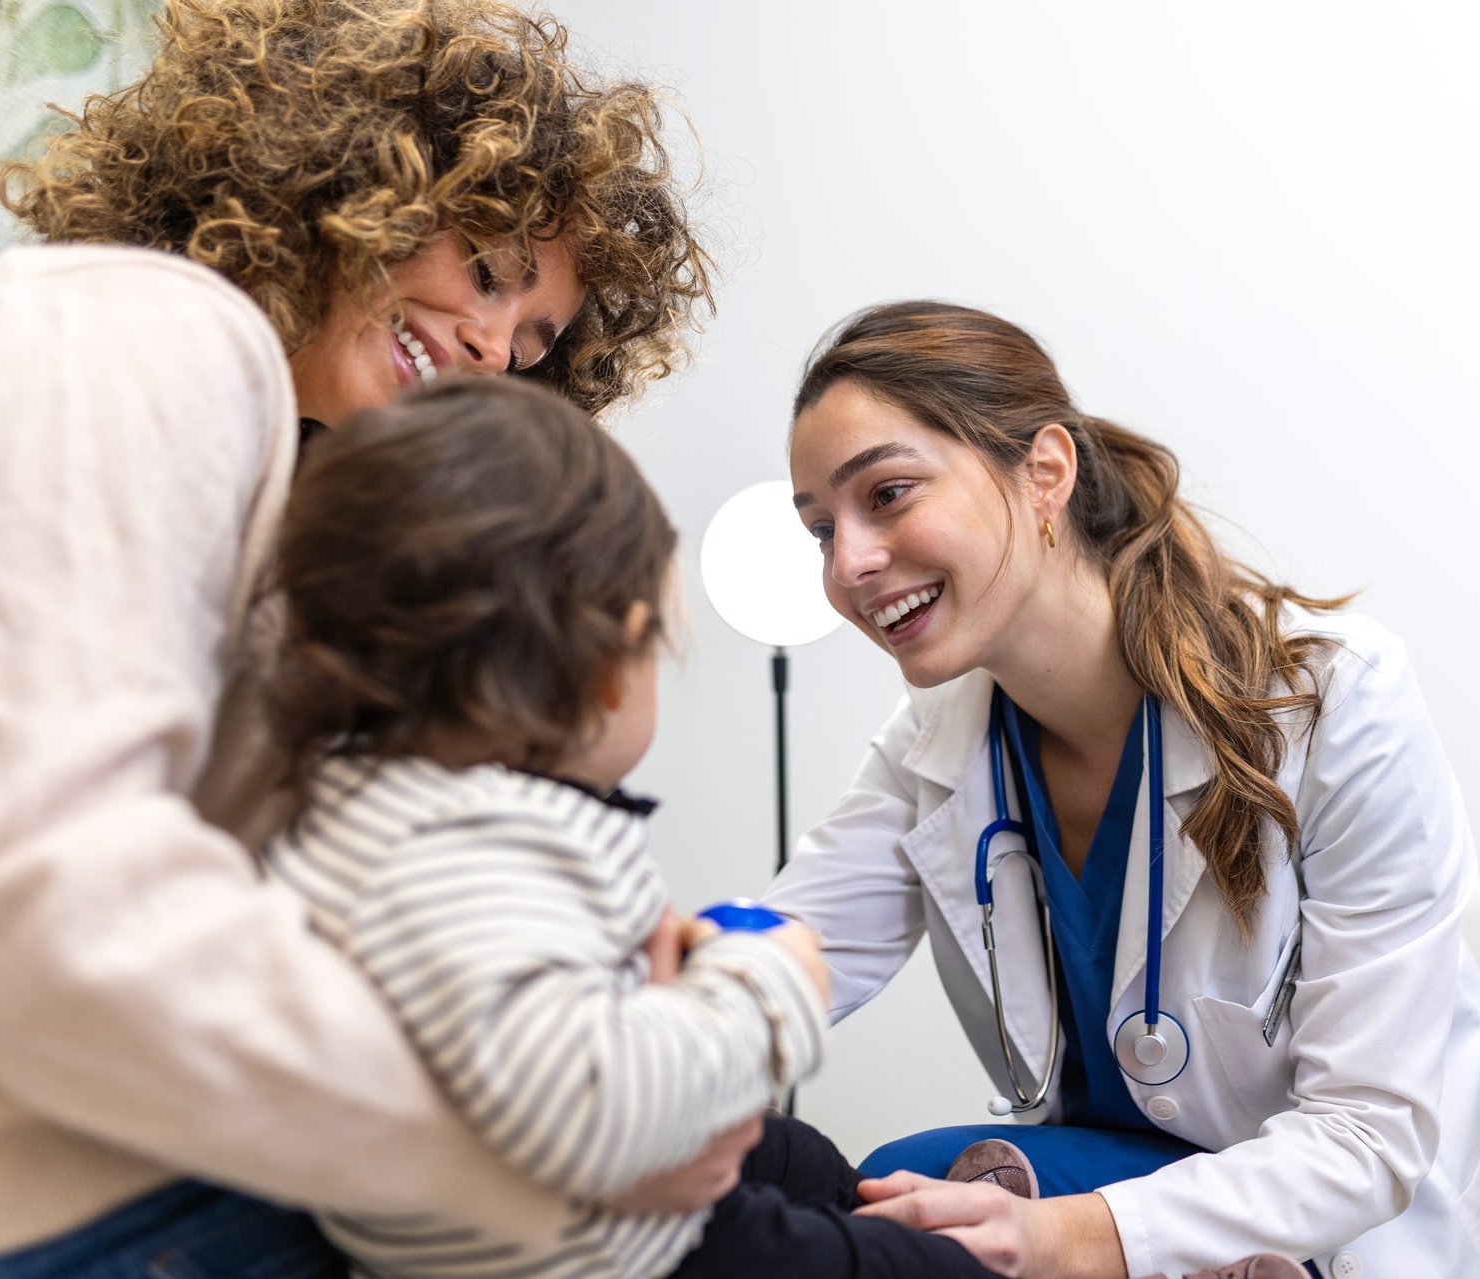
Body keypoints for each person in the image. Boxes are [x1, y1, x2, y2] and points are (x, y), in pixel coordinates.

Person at [0, 1, 735, 1274]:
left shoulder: (306, 507)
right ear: (349, 176)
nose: (495, 348)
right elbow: (52, 916)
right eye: (491, 273)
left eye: (534, 342)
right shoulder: (146, 333)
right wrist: (551, 1162)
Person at [766, 301, 1480, 1279]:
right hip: (1157, 1202)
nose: (850, 563)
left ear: (1045, 473)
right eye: (821, 530)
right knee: (886, 1190)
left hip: (1375, 1234)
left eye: (889, 495)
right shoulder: (937, 750)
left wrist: (1069, 1237)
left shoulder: (1332, 704)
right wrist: (606, 1013)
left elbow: (1366, 1137)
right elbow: (782, 955)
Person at [262, 374, 1032, 1279]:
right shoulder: (480, 844)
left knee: (805, 1161)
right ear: (606, 668)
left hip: (534, 1199)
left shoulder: (354, 808)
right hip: (606, 1246)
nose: (848, 561)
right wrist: (759, 982)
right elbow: (596, 1102)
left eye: (885, 497)